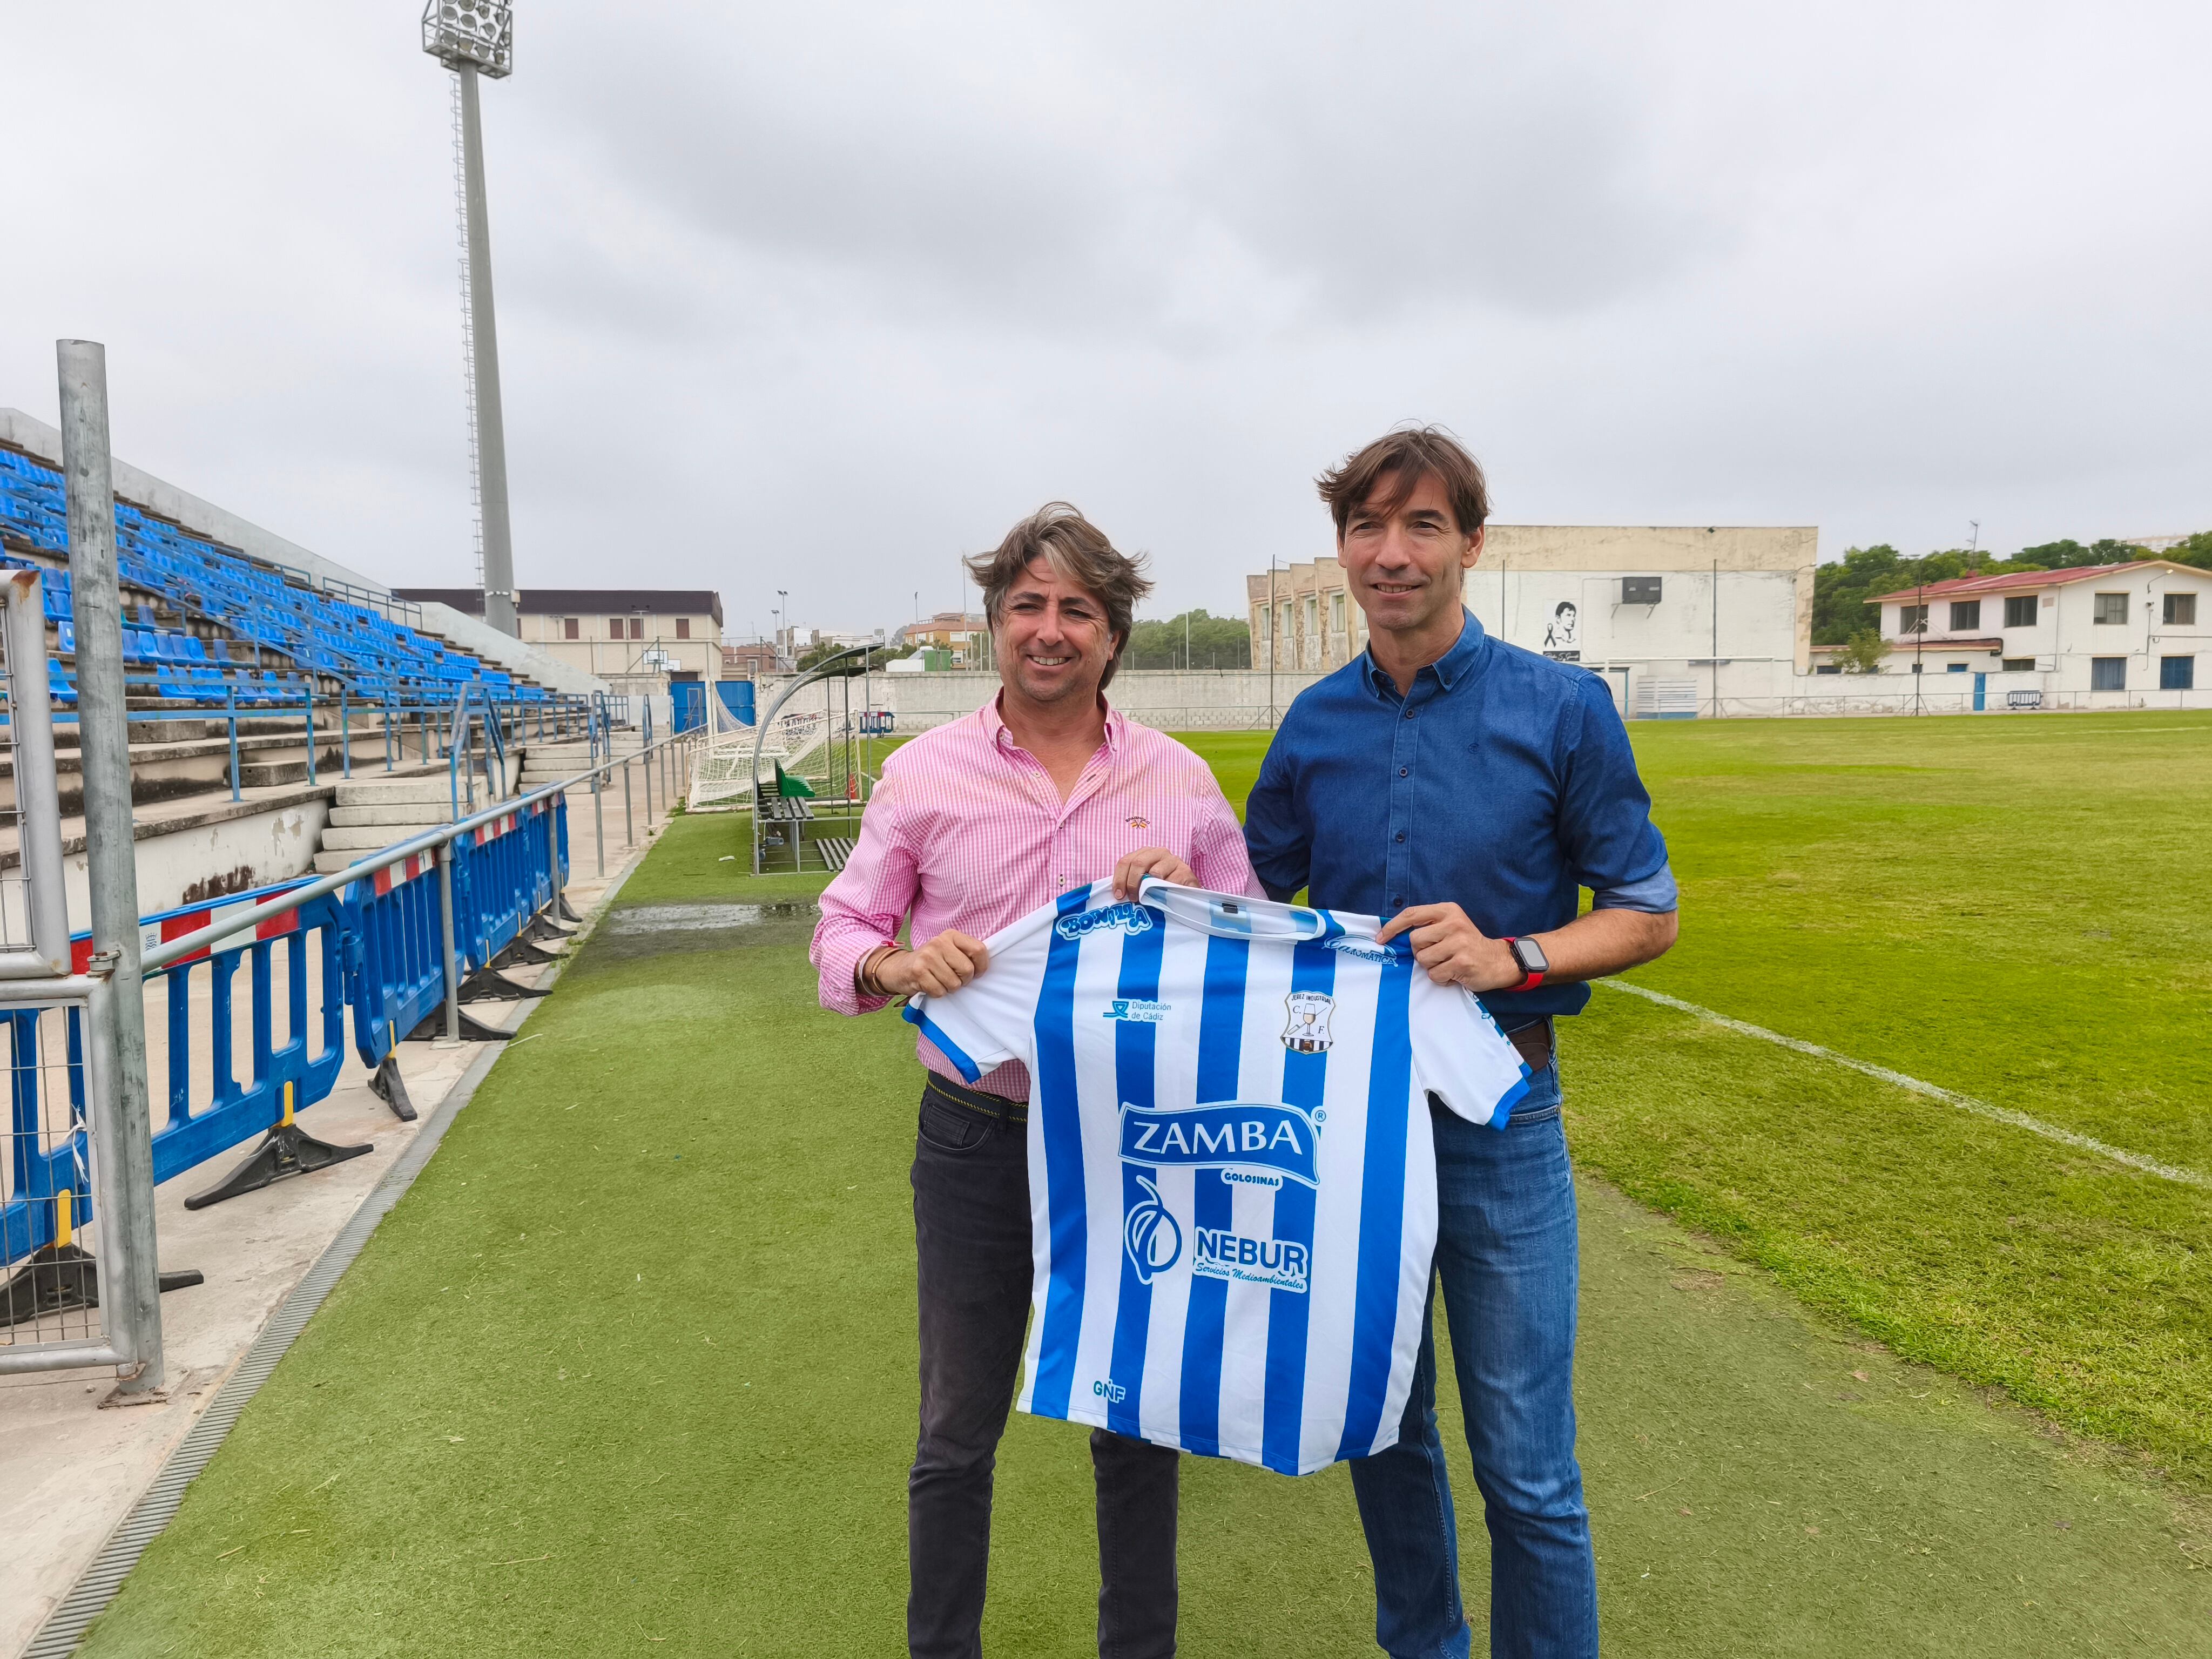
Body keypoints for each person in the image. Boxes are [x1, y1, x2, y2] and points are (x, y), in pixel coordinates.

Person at [1243, 427, 1679, 1659]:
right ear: (1341, 550)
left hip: (1500, 1123)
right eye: (1367, 528)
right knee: (1383, 1430)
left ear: (1470, 544)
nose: (1391, 553)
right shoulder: (1315, 720)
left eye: (1421, 525)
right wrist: (1179, 881)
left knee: (1525, 1467)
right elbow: (1254, 898)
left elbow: (1647, 914)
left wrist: (1512, 958)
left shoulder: (1561, 710)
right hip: (1350, 1129)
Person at [810, 502, 1256, 1659]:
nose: (1049, 629)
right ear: (992, 626)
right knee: (956, 1430)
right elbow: (842, 928)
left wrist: (1194, 902)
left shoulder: (1180, 783)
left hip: (1134, 1142)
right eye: (1027, 606)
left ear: (1113, 636)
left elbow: (1251, 949)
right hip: (976, 1136)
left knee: (1134, 1422)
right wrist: (896, 963)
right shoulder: (920, 775)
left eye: (1077, 610)